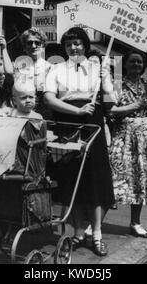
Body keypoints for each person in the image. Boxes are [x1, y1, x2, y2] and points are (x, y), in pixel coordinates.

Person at [44, 27, 114, 257]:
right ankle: (78, 232)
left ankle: (97, 234)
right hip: (67, 122)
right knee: (71, 179)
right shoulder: (56, 69)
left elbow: (111, 100)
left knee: (94, 179)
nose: (74, 48)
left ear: (85, 45)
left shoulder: (98, 68)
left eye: (77, 43)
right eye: (69, 44)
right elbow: (49, 98)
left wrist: (107, 80)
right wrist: (76, 111)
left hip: (92, 122)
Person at [109, 49, 147, 238]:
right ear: (124, 64)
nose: (137, 65)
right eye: (133, 62)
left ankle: (135, 222)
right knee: (116, 175)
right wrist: (135, 106)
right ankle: (95, 224)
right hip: (124, 136)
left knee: (141, 178)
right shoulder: (114, 84)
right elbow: (110, 110)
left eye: (140, 62)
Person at [3, 28, 53, 118]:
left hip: (42, 115)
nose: (33, 46)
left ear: (43, 46)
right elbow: (8, 72)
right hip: (19, 114)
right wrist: (3, 49)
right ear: (24, 47)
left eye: (37, 43)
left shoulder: (50, 68)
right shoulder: (18, 65)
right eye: (29, 43)